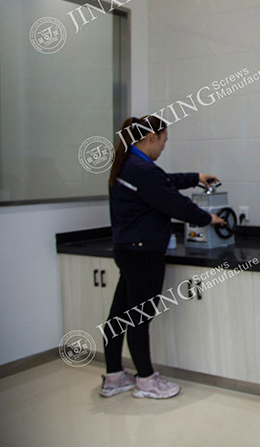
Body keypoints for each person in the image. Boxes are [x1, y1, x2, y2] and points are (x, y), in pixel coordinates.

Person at [99, 114, 225, 399]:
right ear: (152, 137)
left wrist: (195, 177)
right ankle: (146, 380)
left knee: (118, 317)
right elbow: (173, 203)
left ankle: (114, 376)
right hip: (144, 254)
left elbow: (163, 183)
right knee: (138, 319)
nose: (163, 147)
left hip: (127, 250)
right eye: (164, 141)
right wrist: (209, 218)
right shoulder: (142, 170)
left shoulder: (128, 164)